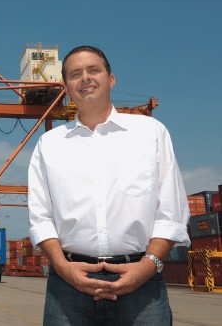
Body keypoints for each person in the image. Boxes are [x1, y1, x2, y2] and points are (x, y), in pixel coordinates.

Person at [27, 45, 190, 325]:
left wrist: (147, 266)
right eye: (75, 74)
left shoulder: (151, 133)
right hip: (68, 285)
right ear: (66, 87)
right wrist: (63, 267)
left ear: (111, 79)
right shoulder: (48, 145)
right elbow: (40, 217)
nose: (85, 78)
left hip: (142, 281)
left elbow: (171, 211)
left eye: (93, 70)